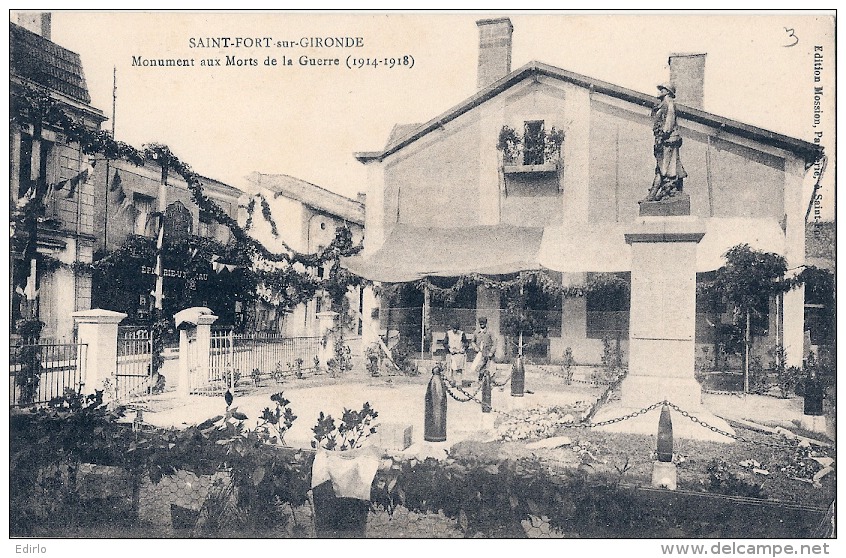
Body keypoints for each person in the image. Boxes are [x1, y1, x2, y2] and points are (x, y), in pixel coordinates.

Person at [646, 82, 688, 202]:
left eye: (662, 89)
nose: (659, 91)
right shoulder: (662, 104)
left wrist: (663, 135)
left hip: (668, 140)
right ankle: (655, 193)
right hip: (664, 140)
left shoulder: (669, 103)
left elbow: (669, 121)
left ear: (668, 92)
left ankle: (657, 193)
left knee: (665, 167)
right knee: (664, 166)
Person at [470, 316, 496, 380]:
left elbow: (494, 343)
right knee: (479, 369)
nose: (482, 324)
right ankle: (480, 383)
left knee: (489, 369)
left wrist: (491, 352)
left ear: (486, 323)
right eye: (480, 323)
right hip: (479, 354)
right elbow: (472, 341)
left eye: (483, 323)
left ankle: (489, 383)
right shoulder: (476, 332)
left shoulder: (490, 332)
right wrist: (475, 347)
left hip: (488, 353)